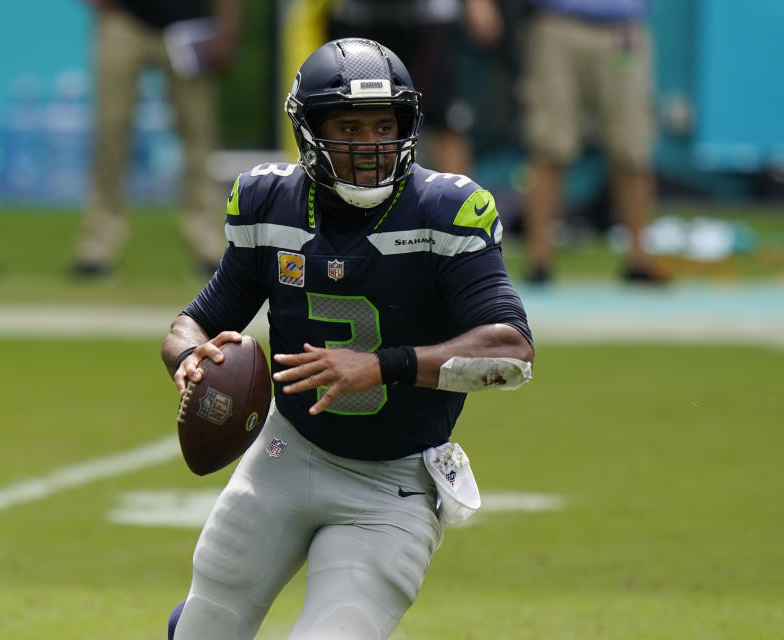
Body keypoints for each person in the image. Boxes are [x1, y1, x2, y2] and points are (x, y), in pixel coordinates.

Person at [160, 38, 534, 639]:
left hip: (393, 484)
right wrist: (187, 356)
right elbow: (193, 321)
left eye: (384, 126)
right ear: (311, 131)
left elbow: (512, 350)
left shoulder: (445, 210)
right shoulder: (269, 202)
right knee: (205, 631)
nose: (370, 147)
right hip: (285, 456)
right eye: (350, 127)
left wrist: (383, 366)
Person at [72, 0, 240, 278]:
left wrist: (227, 30)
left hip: (190, 26)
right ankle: (97, 247)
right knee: (110, 136)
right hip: (124, 19)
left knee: (199, 139)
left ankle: (209, 245)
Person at [521, 0, 666, 283]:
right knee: (549, 144)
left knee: (633, 146)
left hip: (623, 28)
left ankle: (639, 259)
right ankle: (538, 260)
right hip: (557, 22)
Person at [327, 0, 504, 178]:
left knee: (446, 120)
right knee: (350, 115)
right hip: (355, 17)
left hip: (427, 19)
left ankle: (457, 203)